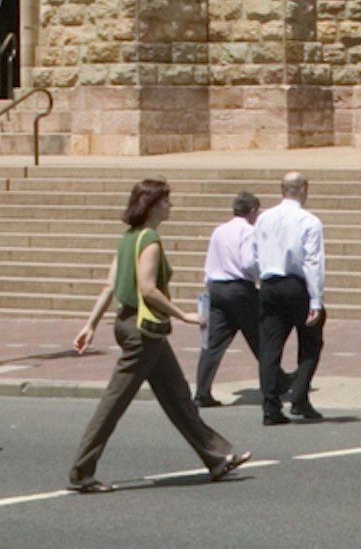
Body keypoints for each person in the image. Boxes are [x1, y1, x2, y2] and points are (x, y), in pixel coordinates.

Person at [68, 177, 253, 493]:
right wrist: (183, 315)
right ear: (152, 206)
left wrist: (91, 324)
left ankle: (217, 457)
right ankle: (81, 472)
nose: (170, 205)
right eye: (166, 201)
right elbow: (148, 288)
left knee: (177, 395)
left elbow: (110, 286)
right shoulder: (150, 240)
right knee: (115, 402)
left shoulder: (128, 238)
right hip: (143, 330)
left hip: (132, 325)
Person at [252, 171, 329, 425]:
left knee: (270, 347)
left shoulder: (264, 218)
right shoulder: (308, 221)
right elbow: (312, 262)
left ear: (282, 189)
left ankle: (270, 406)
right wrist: (316, 300)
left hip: (269, 283)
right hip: (296, 285)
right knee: (310, 342)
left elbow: (254, 254)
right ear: (304, 188)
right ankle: (299, 397)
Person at [194, 192, 263, 411]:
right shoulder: (249, 231)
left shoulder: (219, 230)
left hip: (216, 287)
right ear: (252, 211)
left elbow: (210, 260)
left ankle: (202, 391)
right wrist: (260, 275)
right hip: (239, 288)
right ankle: (275, 381)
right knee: (261, 337)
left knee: (213, 343)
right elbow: (248, 262)